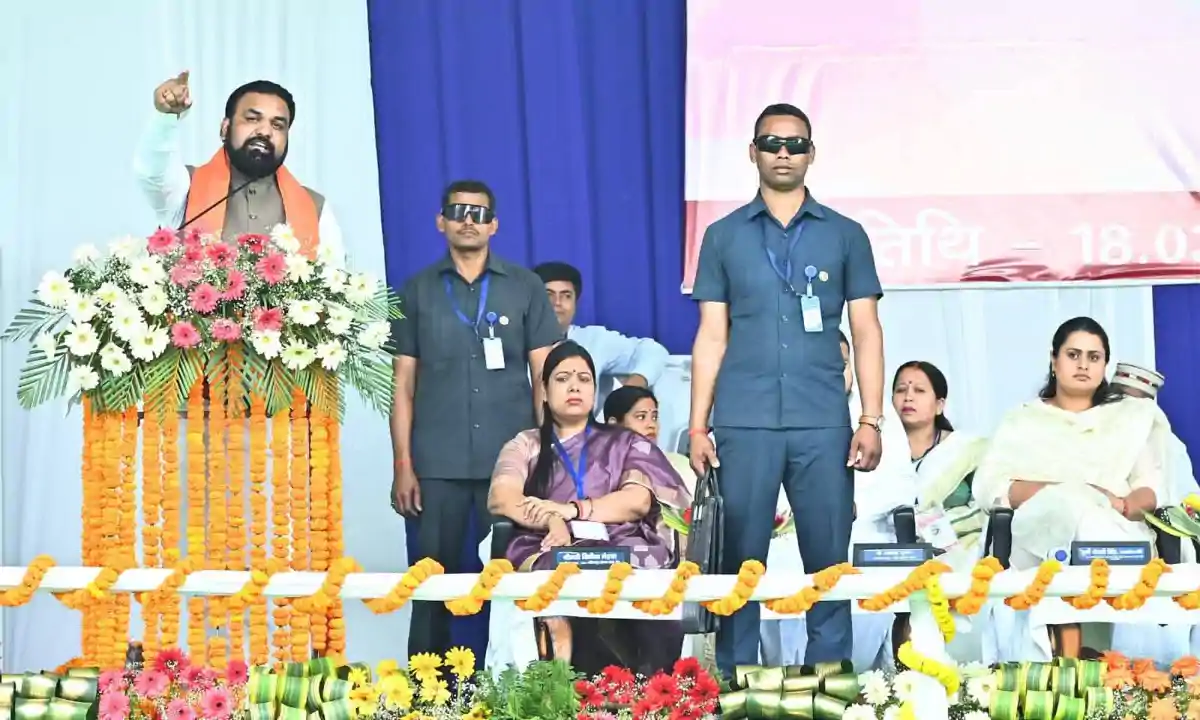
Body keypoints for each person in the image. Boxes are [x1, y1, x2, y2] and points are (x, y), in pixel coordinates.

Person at [688, 102, 886, 673]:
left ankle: (831, 684)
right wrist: (698, 425)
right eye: (772, 143)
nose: (783, 153)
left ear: (811, 154)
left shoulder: (846, 235)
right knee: (739, 563)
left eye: (795, 144)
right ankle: (733, 684)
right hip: (744, 420)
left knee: (828, 562)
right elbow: (711, 336)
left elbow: (866, 330)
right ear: (752, 152)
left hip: (822, 420)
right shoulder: (723, 236)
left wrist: (870, 419)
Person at [390, 179, 563, 659]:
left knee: (514, 581)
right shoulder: (417, 290)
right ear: (440, 221)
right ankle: (427, 690)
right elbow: (402, 386)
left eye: (479, 213)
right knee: (430, 582)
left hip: (510, 464)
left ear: (494, 225)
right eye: (458, 211)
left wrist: (546, 457)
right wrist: (403, 464)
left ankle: (509, 685)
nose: (469, 220)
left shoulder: (524, 287)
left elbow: (543, 377)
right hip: (437, 463)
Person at [487, 341, 692, 676]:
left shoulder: (626, 441)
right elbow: (502, 496)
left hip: (624, 542)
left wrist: (571, 511)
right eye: (563, 379)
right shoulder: (526, 444)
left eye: (583, 379)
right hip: (551, 544)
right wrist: (551, 519)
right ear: (544, 390)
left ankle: (650, 685)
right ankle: (562, 684)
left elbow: (637, 500)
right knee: (555, 573)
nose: (574, 387)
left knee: (647, 572)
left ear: (595, 391)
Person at [974, 316, 1169, 661]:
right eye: (1073, 354)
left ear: (1105, 365)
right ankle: (1063, 652)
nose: (1083, 365)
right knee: (1068, 508)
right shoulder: (1022, 420)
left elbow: (1150, 491)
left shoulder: (1132, 418)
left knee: (1092, 522)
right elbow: (990, 487)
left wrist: (1119, 504)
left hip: (1114, 527)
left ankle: (1114, 664)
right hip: (1034, 536)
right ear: (1054, 360)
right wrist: (1065, 493)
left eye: (1094, 357)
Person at [760, 332, 917, 670]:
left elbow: (903, 486)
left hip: (863, 531)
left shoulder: (875, 419)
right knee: (780, 565)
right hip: (789, 535)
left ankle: (854, 678)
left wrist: (856, 506)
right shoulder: (772, 409)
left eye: (842, 364)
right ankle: (786, 677)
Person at [134, 72, 343, 262]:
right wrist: (166, 117)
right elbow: (152, 172)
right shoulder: (186, 187)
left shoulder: (316, 208)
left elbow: (336, 285)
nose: (265, 131)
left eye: (277, 125)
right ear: (225, 128)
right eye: (252, 119)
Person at [892, 360, 988, 662]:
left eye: (919, 390)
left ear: (939, 404)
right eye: (901, 390)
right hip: (888, 553)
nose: (908, 397)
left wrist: (934, 527)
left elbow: (985, 507)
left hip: (956, 552)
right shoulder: (876, 450)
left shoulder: (967, 449)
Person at [1106, 362, 1197, 666]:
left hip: (1170, 548)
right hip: (1118, 546)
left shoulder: (1167, 441)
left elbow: (1185, 501)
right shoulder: (1103, 437)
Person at [534, 262, 670, 409]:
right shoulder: (516, 340)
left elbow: (654, 351)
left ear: (575, 303)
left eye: (566, 296)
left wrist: (631, 389)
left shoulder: (593, 340)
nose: (557, 303)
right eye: (548, 295)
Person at [603, 386, 696, 487]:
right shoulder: (598, 468)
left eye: (654, 417)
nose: (651, 425)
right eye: (641, 417)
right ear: (614, 425)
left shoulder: (680, 464)